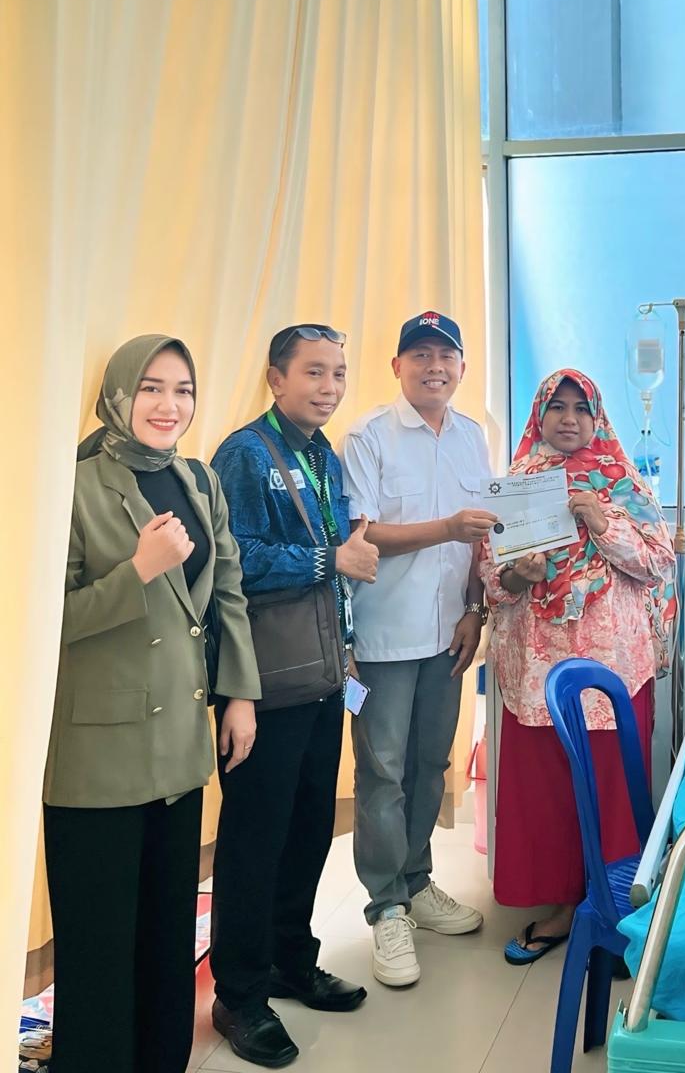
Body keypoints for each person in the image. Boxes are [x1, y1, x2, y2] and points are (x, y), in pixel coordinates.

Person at [43, 335, 261, 1073]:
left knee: (168, 935)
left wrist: (239, 695)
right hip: (98, 758)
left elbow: (227, 592)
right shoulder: (73, 485)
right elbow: (44, 622)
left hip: (178, 751)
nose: (170, 405)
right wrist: (137, 570)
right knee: (99, 947)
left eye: (183, 390)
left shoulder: (198, 480)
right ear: (117, 395)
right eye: (152, 388)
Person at [208, 325, 380, 1068]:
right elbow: (231, 559)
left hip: (320, 676)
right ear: (276, 379)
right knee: (254, 841)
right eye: (313, 372)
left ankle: (290, 960)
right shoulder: (246, 454)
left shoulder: (322, 454)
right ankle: (238, 996)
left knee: (308, 830)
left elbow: (340, 562)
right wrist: (328, 557)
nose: (329, 386)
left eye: (338, 373)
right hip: (263, 684)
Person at [482, 369, 676, 965]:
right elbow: (492, 578)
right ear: (539, 415)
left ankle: (618, 913)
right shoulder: (518, 484)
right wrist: (519, 576)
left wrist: (601, 521)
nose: (569, 419)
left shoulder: (622, 483)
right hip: (538, 670)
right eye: (557, 407)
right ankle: (564, 908)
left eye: (580, 409)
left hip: (613, 666)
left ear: (597, 418)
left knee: (614, 791)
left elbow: (657, 563)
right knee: (551, 793)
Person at [341, 311, 495, 989]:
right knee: (383, 771)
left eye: (446, 356)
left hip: (447, 633)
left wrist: (473, 609)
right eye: (421, 355)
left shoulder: (471, 436)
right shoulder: (368, 436)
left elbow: (482, 536)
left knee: (431, 763)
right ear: (397, 366)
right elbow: (362, 535)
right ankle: (386, 908)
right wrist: (447, 527)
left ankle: (415, 881)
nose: (435, 367)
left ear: (461, 367)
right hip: (382, 634)